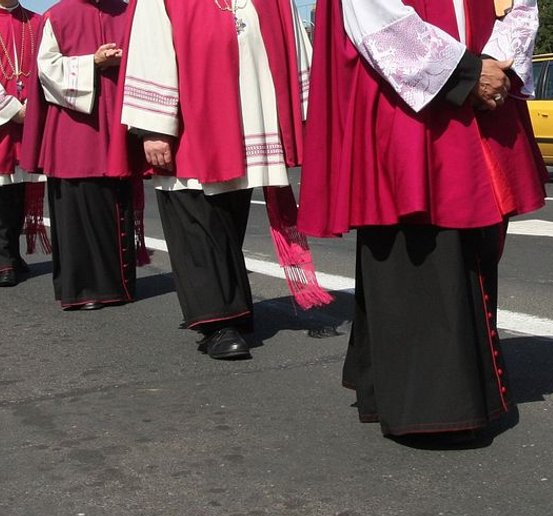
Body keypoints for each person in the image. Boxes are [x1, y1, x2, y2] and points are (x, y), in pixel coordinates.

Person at [297, 1, 547, 438]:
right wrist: (466, 74)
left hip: (482, 92)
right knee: (416, 237)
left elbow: (518, 6)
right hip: (409, 98)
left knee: (475, 236)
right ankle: (430, 403)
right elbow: (374, 14)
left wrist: (495, 67)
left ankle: (431, 384)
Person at [120, 0, 324, 361]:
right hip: (191, 128)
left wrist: (306, 114)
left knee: (228, 218)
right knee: (195, 219)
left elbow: (297, 49)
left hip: (250, 121)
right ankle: (216, 323)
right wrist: (154, 127)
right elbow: (150, 47)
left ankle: (234, 309)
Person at [20, 0, 143, 310]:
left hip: (118, 124)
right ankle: (82, 289)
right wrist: (93, 62)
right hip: (74, 131)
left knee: (116, 204)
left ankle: (117, 286)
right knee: (76, 212)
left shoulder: (129, 12)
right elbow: (47, 71)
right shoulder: (59, 15)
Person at [0, 0, 43, 288]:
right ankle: (2, 258)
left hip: (30, 119)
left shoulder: (37, 21)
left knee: (19, 188)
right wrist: (13, 109)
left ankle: (12, 253)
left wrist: (35, 106)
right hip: (4, 120)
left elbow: (47, 67)